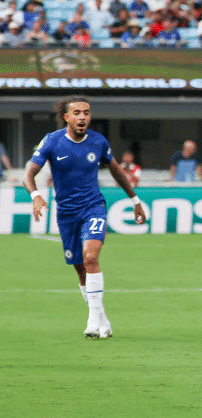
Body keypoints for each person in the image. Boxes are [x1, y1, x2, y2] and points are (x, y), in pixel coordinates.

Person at [22, 96, 147, 339]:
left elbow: (117, 171)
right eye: (77, 112)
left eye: (87, 113)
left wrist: (135, 200)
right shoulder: (51, 141)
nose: (83, 117)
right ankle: (102, 320)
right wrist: (36, 195)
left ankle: (92, 319)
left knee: (91, 258)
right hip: (67, 214)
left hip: (93, 207)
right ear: (67, 117)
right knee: (81, 270)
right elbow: (29, 173)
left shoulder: (98, 142)